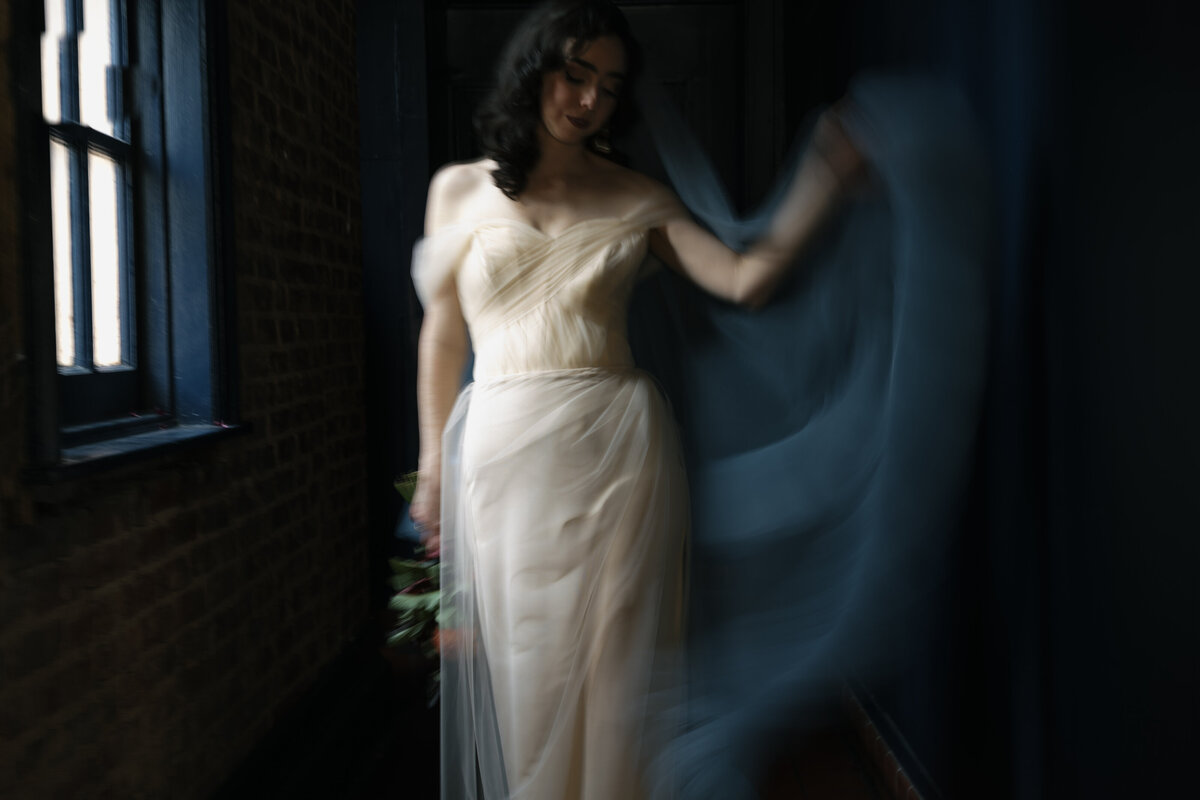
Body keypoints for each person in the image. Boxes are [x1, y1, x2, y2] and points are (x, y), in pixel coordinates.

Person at [408, 2, 865, 797]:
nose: (588, 101)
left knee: (617, 680)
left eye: (609, 87)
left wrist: (821, 182)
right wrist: (429, 464)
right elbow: (442, 336)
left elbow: (743, 280)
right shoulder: (456, 192)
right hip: (503, 456)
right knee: (529, 671)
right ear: (536, 72)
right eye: (575, 75)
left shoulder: (636, 197)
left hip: (618, 457)